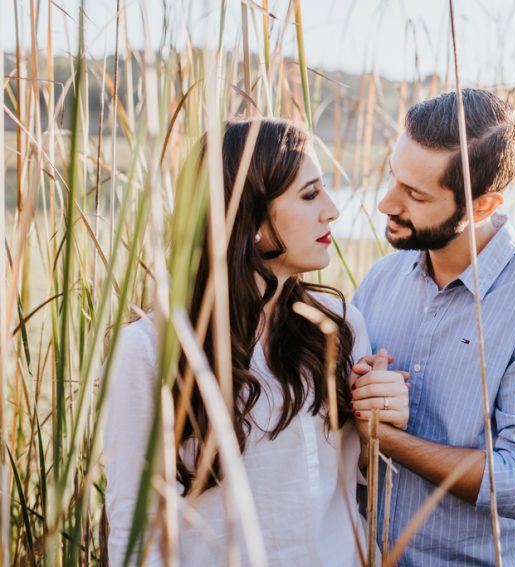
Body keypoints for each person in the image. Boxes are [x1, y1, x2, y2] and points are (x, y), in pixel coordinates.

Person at [103, 118, 409, 566]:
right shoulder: (150, 351)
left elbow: (362, 479)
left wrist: (383, 417)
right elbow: (135, 525)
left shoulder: (339, 327)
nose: (332, 210)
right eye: (309, 195)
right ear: (247, 218)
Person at [351, 89, 515, 566]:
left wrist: (386, 438)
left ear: (482, 207)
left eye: (415, 194)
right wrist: (355, 390)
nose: (386, 203)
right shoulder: (381, 280)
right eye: (393, 178)